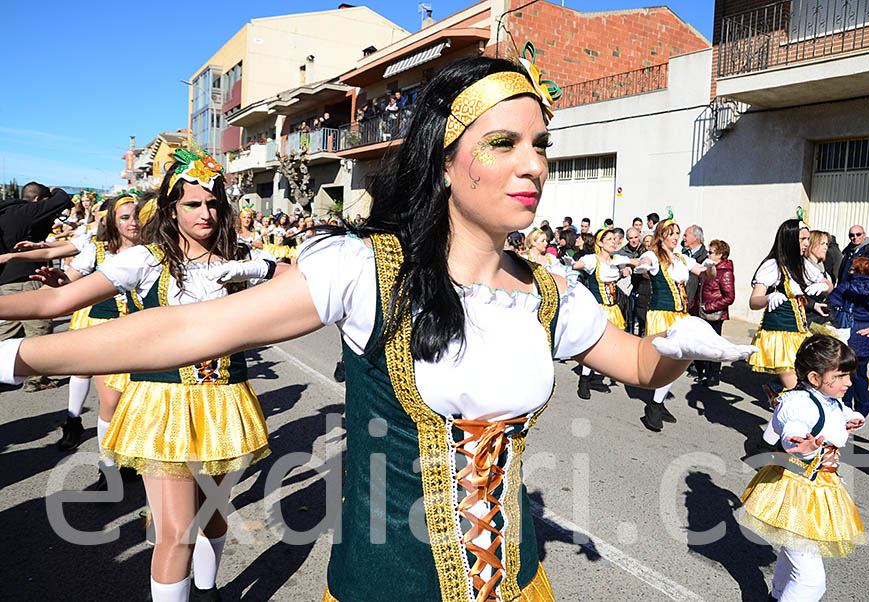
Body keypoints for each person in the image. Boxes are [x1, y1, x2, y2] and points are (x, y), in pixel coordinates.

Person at [0, 55, 753, 602]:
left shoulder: (551, 294)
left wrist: (676, 347)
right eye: (504, 143)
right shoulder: (363, 269)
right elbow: (179, 334)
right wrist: (20, 358)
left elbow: (638, 368)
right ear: (446, 159)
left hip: (516, 587)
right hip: (385, 587)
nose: (534, 166)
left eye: (541, 145)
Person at [0, 149, 282, 601]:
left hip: (225, 401)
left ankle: (208, 593)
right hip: (163, 405)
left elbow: (307, 284)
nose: (205, 213)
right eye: (192, 203)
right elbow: (51, 305)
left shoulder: (245, 256)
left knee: (212, 513)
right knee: (175, 532)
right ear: (172, 208)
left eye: (213, 203)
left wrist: (264, 271)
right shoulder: (146, 260)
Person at [0, 193, 143, 460]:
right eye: (124, 217)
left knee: (135, 399)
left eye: (138, 216)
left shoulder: (155, 249)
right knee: (97, 388)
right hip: (104, 327)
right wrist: (57, 279)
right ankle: (101, 455)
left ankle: (128, 453)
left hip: (144, 331)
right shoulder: (98, 247)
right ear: (112, 221)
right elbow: (59, 261)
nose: (133, 223)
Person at [738, 334, 866, 602]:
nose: (848, 382)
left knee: (792, 552)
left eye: (848, 375)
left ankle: (777, 596)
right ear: (814, 378)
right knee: (810, 582)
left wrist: (853, 418)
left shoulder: (822, 397)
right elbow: (793, 425)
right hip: (799, 491)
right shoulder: (799, 403)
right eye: (841, 375)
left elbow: (838, 411)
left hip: (816, 488)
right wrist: (797, 441)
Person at [633, 218, 718, 431]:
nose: (676, 237)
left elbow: (705, 274)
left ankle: (657, 404)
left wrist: (711, 267)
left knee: (678, 360)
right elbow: (644, 261)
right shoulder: (653, 255)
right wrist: (642, 265)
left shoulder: (682, 258)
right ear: (661, 235)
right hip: (661, 314)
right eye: (671, 233)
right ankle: (654, 405)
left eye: (678, 233)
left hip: (680, 315)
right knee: (667, 360)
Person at [0, 181, 72, 391]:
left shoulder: (4, 211)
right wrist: (55, 190)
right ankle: (36, 379)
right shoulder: (26, 210)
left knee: (7, 330)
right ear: (38, 200)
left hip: (4, 279)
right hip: (27, 276)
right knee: (38, 329)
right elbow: (63, 199)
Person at [749, 219, 831, 401]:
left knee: (810, 385)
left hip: (800, 333)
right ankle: (781, 402)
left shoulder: (805, 265)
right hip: (780, 335)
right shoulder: (772, 266)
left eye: (808, 239)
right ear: (789, 239)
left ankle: (778, 401)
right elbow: (754, 301)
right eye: (802, 239)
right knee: (797, 391)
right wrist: (769, 297)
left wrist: (823, 287)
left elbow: (829, 286)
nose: (807, 244)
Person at [572, 228, 632, 398]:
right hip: (598, 308)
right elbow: (576, 266)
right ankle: (584, 380)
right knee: (592, 345)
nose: (614, 241)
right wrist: (571, 264)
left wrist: (625, 271)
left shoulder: (616, 260)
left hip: (613, 308)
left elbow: (631, 263)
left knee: (609, 346)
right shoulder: (592, 260)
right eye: (610, 239)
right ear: (600, 243)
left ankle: (597, 378)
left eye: (615, 239)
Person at [829, 257, 869, 417]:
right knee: (861, 372)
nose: (849, 271)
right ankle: (863, 405)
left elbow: (831, 302)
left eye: (852, 268)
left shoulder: (848, 287)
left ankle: (845, 409)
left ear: (860, 271)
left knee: (846, 372)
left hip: (850, 333)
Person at [692, 239, 735, 387]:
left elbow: (729, 297)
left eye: (711, 252)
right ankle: (704, 373)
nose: (708, 254)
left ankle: (713, 375)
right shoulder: (709, 269)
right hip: (703, 313)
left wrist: (709, 307)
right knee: (704, 344)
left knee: (714, 345)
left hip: (714, 315)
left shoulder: (725, 273)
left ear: (720, 255)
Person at [631, 232, 654, 335]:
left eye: (650, 241)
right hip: (642, 292)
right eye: (646, 241)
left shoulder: (659, 258)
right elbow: (634, 279)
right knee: (642, 324)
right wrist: (640, 274)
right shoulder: (639, 257)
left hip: (653, 294)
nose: (648, 244)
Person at [681, 225, 708, 307]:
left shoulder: (705, 257)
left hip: (695, 305)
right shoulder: (684, 255)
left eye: (686, 235)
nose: (683, 238)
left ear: (695, 237)